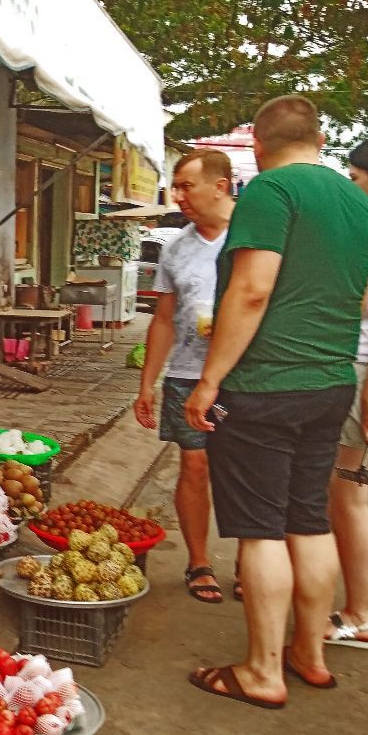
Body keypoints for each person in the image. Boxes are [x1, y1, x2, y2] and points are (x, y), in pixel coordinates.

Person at [184, 95, 368, 708]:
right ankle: (309, 653)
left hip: (267, 384)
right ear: (319, 140)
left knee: (260, 529)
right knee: (308, 519)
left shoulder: (272, 191)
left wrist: (211, 379)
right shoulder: (357, 200)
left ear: (260, 147)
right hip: (330, 382)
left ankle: (263, 671)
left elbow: (252, 289)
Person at [133, 149, 235, 604]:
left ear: (221, 185)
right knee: (194, 466)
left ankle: (253, 563)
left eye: (187, 186)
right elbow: (163, 319)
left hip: (245, 376)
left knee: (244, 470)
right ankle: (198, 560)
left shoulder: (257, 237)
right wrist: (147, 383)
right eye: (175, 187)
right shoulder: (176, 247)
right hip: (187, 373)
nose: (178, 197)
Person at [323, 132, 368, 648]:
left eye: (356, 177)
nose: (352, 186)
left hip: (366, 372)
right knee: (347, 495)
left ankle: (361, 614)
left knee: (346, 497)